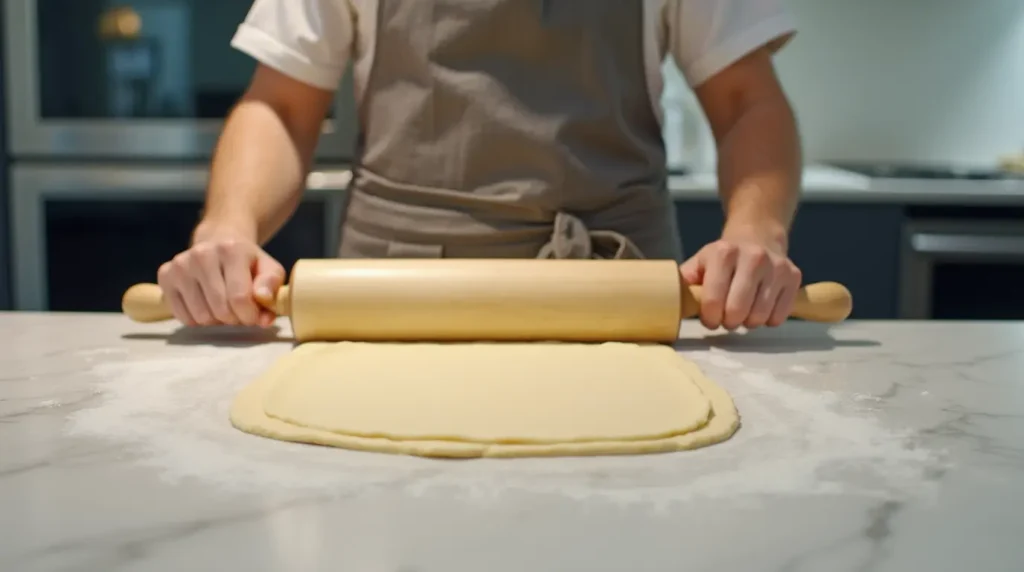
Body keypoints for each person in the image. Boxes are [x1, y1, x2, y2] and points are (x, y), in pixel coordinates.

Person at [158, 0, 803, 333]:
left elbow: (749, 103)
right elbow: (282, 106)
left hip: (618, 294)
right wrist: (227, 229)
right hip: (393, 302)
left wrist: (756, 231)